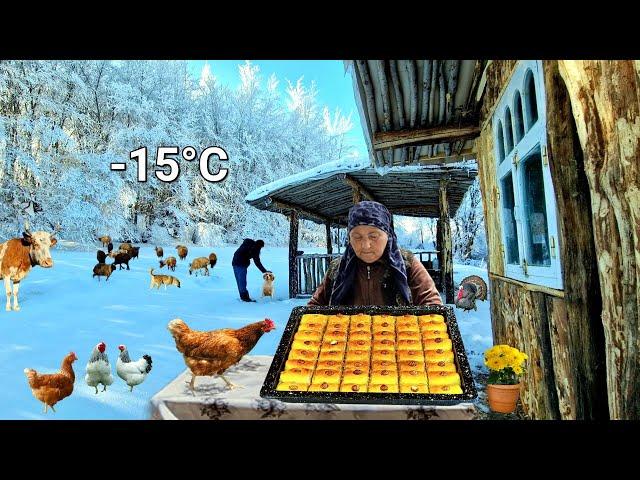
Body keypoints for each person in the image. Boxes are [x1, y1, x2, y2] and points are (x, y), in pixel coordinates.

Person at [308, 201, 442, 306]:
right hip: (346, 338)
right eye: (357, 237)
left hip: (401, 337)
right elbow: (314, 308)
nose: (366, 245)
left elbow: (432, 305)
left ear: (388, 235)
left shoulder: (407, 263)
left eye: (373, 236)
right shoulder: (337, 268)